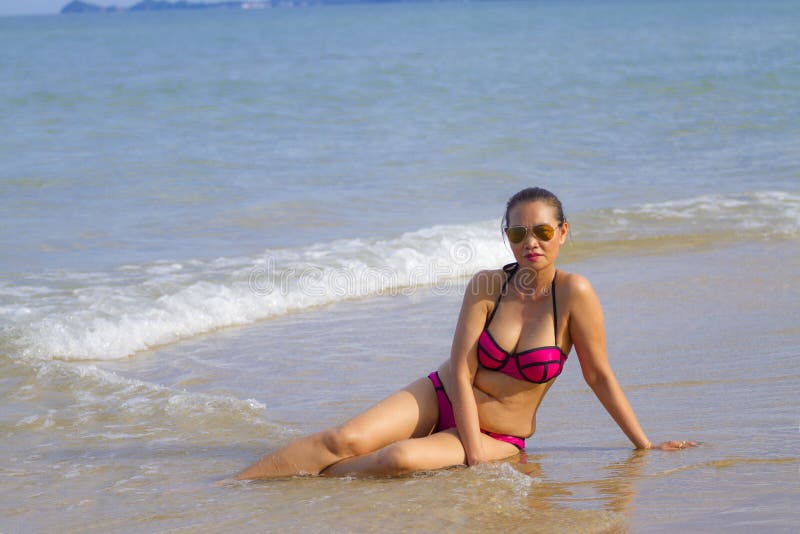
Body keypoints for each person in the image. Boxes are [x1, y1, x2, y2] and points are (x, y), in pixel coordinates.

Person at [234, 187, 697, 480]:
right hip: (443, 394)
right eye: (518, 234)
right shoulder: (487, 284)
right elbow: (460, 365)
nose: (530, 242)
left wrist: (645, 444)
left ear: (562, 232)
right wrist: (470, 447)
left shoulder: (575, 294)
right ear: (507, 238)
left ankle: (311, 482)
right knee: (343, 440)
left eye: (541, 230)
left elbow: (599, 377)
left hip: (504, 434)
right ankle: (234, 489)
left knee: (399, 459)